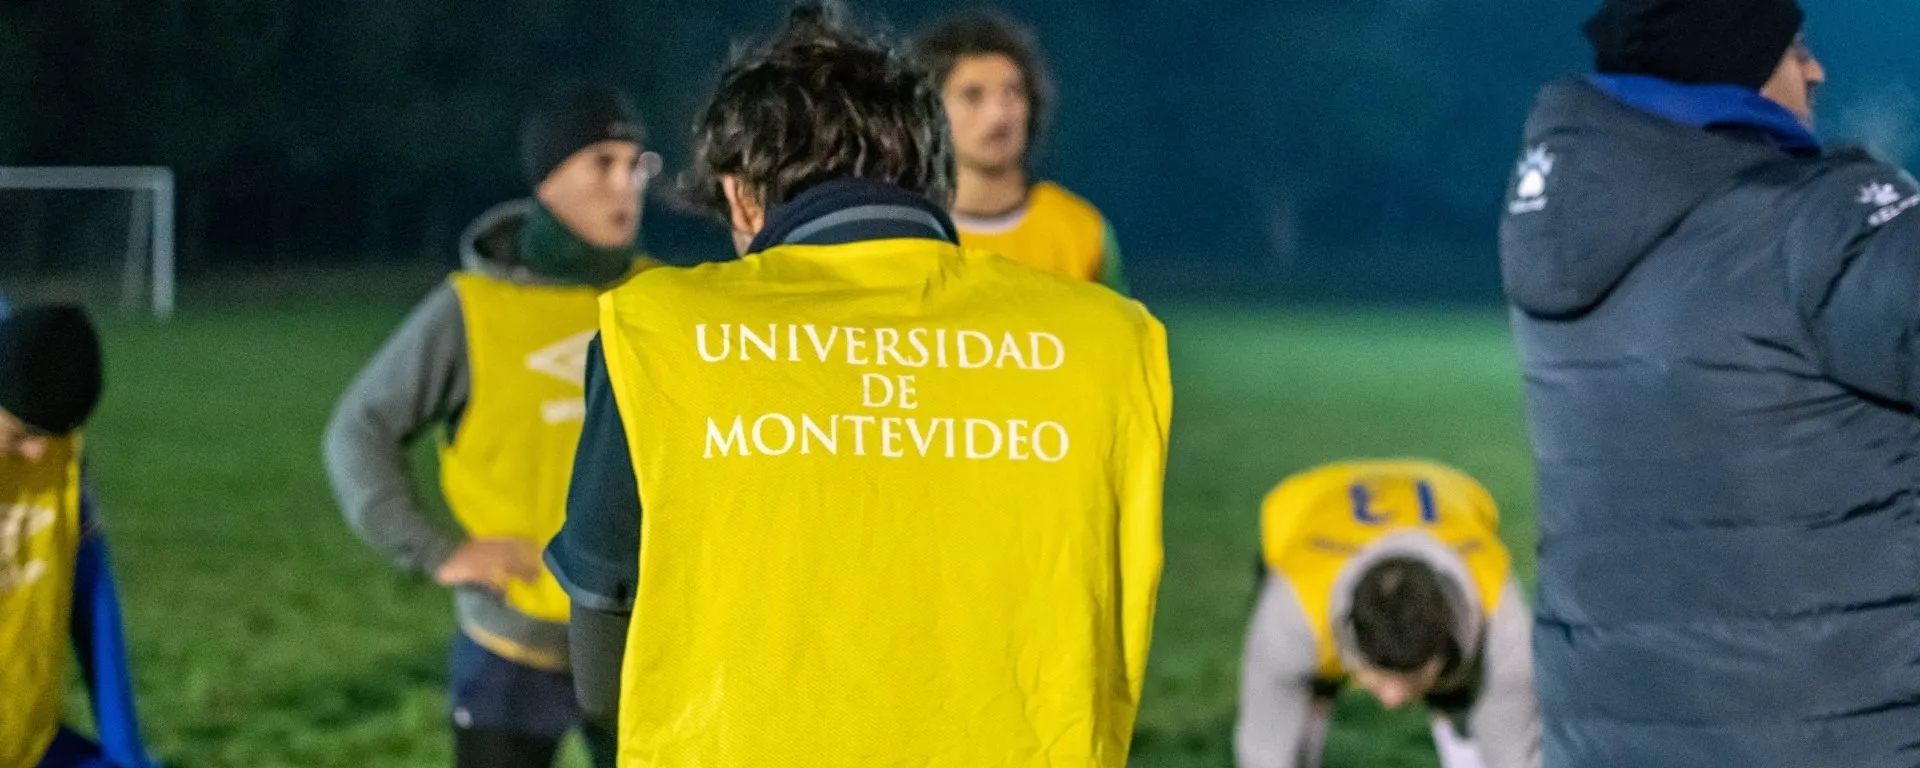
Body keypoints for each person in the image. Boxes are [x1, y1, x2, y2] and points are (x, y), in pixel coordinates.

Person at [544, 4, 1172, 766]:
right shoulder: (1110, 336)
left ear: (743, 196)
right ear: (932, 175)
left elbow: (602, 654)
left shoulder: (655, 330)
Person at [1501, 0, 1920, 764]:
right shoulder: (1814, 229)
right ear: (1733, 63)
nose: (1816, 69)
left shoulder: (1571, 241)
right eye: (1794, 48)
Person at [322, 84, 659, 767]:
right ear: (547, 180)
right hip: (512, 643)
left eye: (637, 164)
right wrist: (434, 550)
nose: (626, 184)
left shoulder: (664, 300)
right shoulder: (473, 307)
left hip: (645, 640)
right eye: (602, 162)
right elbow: (360, 429)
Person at [1236, 460, 1537, 768]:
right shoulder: (1294, 607)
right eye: (1376, 675)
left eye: (1414, 676)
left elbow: (1515, 753)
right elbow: (1263, 749)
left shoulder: (1501, 620)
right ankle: (1324, 692)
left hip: (1450, 494)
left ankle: (1449, 697)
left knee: (1472, 690)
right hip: (1307, 504)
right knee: (1303, 686)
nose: (1392, 700)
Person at [0, 304, 157, 768]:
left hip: (25, 739)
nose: (37, 453)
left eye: (54, 434)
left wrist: (127, 752)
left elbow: (91, 590)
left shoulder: (56, 453)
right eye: (22, 432)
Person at [913, 11, 1127, 292]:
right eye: (972, 95)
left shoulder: (1081, 230)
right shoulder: (909, 231)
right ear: (930, 110)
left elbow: (1117, 331)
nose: (998, 115)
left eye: (1011, 93)